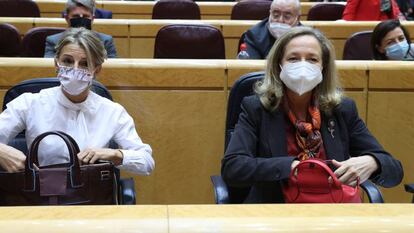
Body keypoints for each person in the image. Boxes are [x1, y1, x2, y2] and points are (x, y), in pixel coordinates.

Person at [221, 27, 403, 203]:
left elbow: (394, 171)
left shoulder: (341, 109)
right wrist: (291, 167)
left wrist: (373, 162)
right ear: (279, 65)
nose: (302, 65)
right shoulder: (257, 108)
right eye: (293, 59)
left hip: (334, 210)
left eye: (312, 59)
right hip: (278, 211)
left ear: (323, 66)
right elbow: (233, 168)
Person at [0, 27, 154, 175]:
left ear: (96, 70)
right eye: (67, 61)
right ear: (56, 64)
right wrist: (2, 151)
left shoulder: (112, 111)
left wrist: (115, 154)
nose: (75, 69)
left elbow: (146, 162)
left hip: (90, 195)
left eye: (85, 64)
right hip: (40, 194)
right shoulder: (30, 103)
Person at [44, 0, 117, 58]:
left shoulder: (106, 41)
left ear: (92, 18)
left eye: (85, 16)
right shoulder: (53, 41)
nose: (81, 19)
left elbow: (112, 69)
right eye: (76, 16)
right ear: (66, 18)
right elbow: (50, 69)